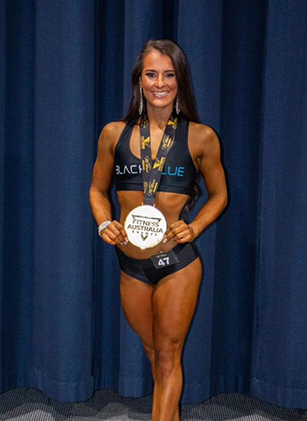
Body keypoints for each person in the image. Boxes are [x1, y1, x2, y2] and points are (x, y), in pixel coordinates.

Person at [89, 39, 227, 421]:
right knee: (154, 355)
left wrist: (195, 227)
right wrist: (104, 222)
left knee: (168, 359)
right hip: (131, 266)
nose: (160, 83)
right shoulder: (113, 134)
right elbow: (97, 190)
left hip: (177, 264)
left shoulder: (201, 137)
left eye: (169, 74)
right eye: (151, 74)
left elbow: (220, 195)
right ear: (140, 81)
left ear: (180, 80)